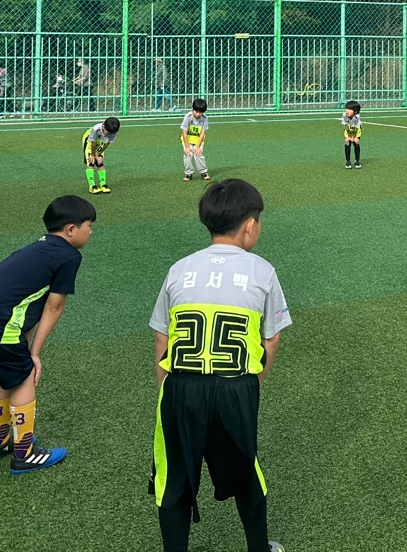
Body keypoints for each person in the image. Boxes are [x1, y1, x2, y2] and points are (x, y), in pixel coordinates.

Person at [151, 178, 290, 552]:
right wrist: (252, 385)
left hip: (180, 386)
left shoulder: (179, 268)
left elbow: (162, 337)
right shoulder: (262, 271)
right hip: (235, 386)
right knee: (247, 471)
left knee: (173, 478)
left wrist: (168, 388)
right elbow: (271, 339)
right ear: (250, 225)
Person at [0, 195, 95, 475]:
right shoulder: (69, 256)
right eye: (89, 226)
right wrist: (34, 354)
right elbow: (53, 307)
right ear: (71, 229)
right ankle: (24, 454)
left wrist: (25, 346)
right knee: (24, 376)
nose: (90, 232)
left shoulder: (39, 247)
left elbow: (23, 301)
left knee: (5, 377)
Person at [83, 117, 121, 195]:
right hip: (90, 140)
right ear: (103, 127)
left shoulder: (113, 130)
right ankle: (92, 186)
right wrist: (93, 155)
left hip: (101, 141)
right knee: (91, 162)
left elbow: (108, 143)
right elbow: (93, 142)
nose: (109, 135)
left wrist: (99, 154)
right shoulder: (96, 129)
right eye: (108, 133)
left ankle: (103, 184)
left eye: (111, 134)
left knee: (100, 162)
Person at [181, 99, 210, 183]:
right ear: (193, 109)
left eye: (201, 112)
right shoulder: (188, 117)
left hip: (198, 141)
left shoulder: (205, 119)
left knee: (198, 154)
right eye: (196, 112)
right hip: (188, 141)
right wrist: (187, 147)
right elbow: (184, 132)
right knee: (188, 154)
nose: (198, 114)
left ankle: (203, 172)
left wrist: (198, 146)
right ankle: (188, 174)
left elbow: (203, 133)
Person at [341, 100, 363, 170]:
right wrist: (348, 137)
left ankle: (357, 161)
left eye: (350, 110)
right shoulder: (344, 115)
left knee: (356, 144)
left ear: (355, 112)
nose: (347, 111)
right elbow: (346, 126)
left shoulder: (357, 117)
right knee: (347, 145)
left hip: (357, 131)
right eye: (346, 108)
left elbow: (357, 128)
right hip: (348, 131)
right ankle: (348, 161)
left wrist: (355, 137)